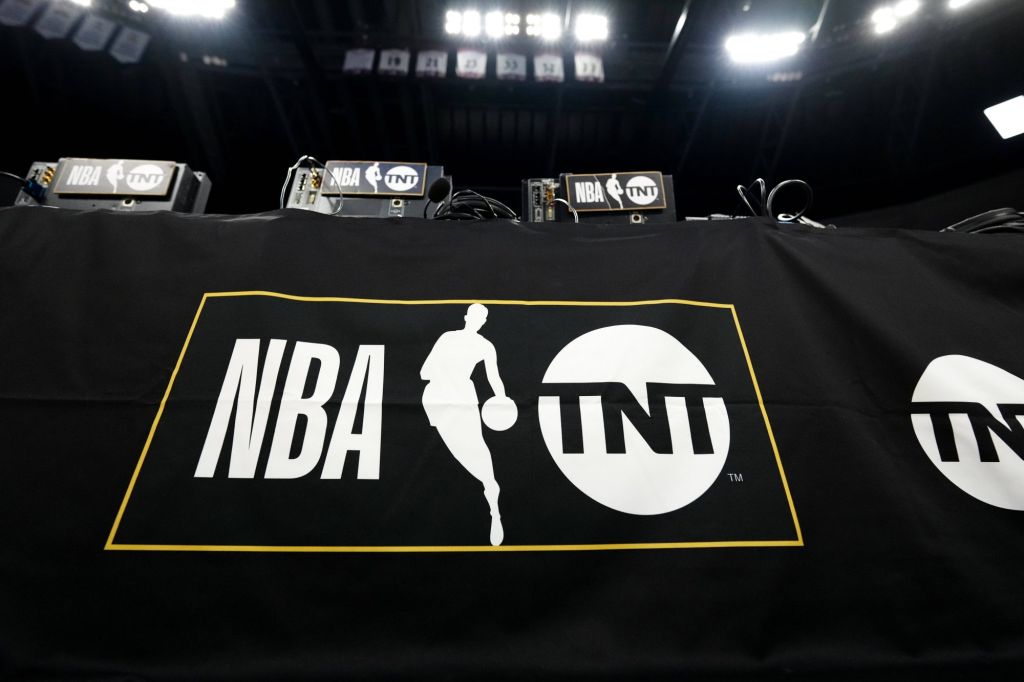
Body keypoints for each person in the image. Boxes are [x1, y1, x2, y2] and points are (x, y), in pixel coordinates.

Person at [420, 303, 508, 546]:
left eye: (482, 317)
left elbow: (494, 378)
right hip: (437, 399)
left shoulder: (485, 346)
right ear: (467, 316)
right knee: (452, 451)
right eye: (475, 315)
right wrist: (446, 376)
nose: (477, 320)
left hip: (464, 400)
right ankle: (487, 488)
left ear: (484, 322)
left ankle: (493, 504)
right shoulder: (448, 338)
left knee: (478, 451)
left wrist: (501, 399)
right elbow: (424, 372)